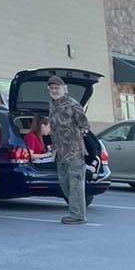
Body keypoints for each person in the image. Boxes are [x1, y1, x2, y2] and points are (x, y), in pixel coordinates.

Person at [46, 75, 90, 224]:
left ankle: (78, 215)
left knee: (75, 184)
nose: (54, 90)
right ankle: (76, 211)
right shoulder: (52, 104)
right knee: (65, 184)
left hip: (74, 152)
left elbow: (84, 125)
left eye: (57, 88)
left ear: (64, 89)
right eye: (52, 88)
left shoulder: (72, 105)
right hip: (60, 152)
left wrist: (76, 138)